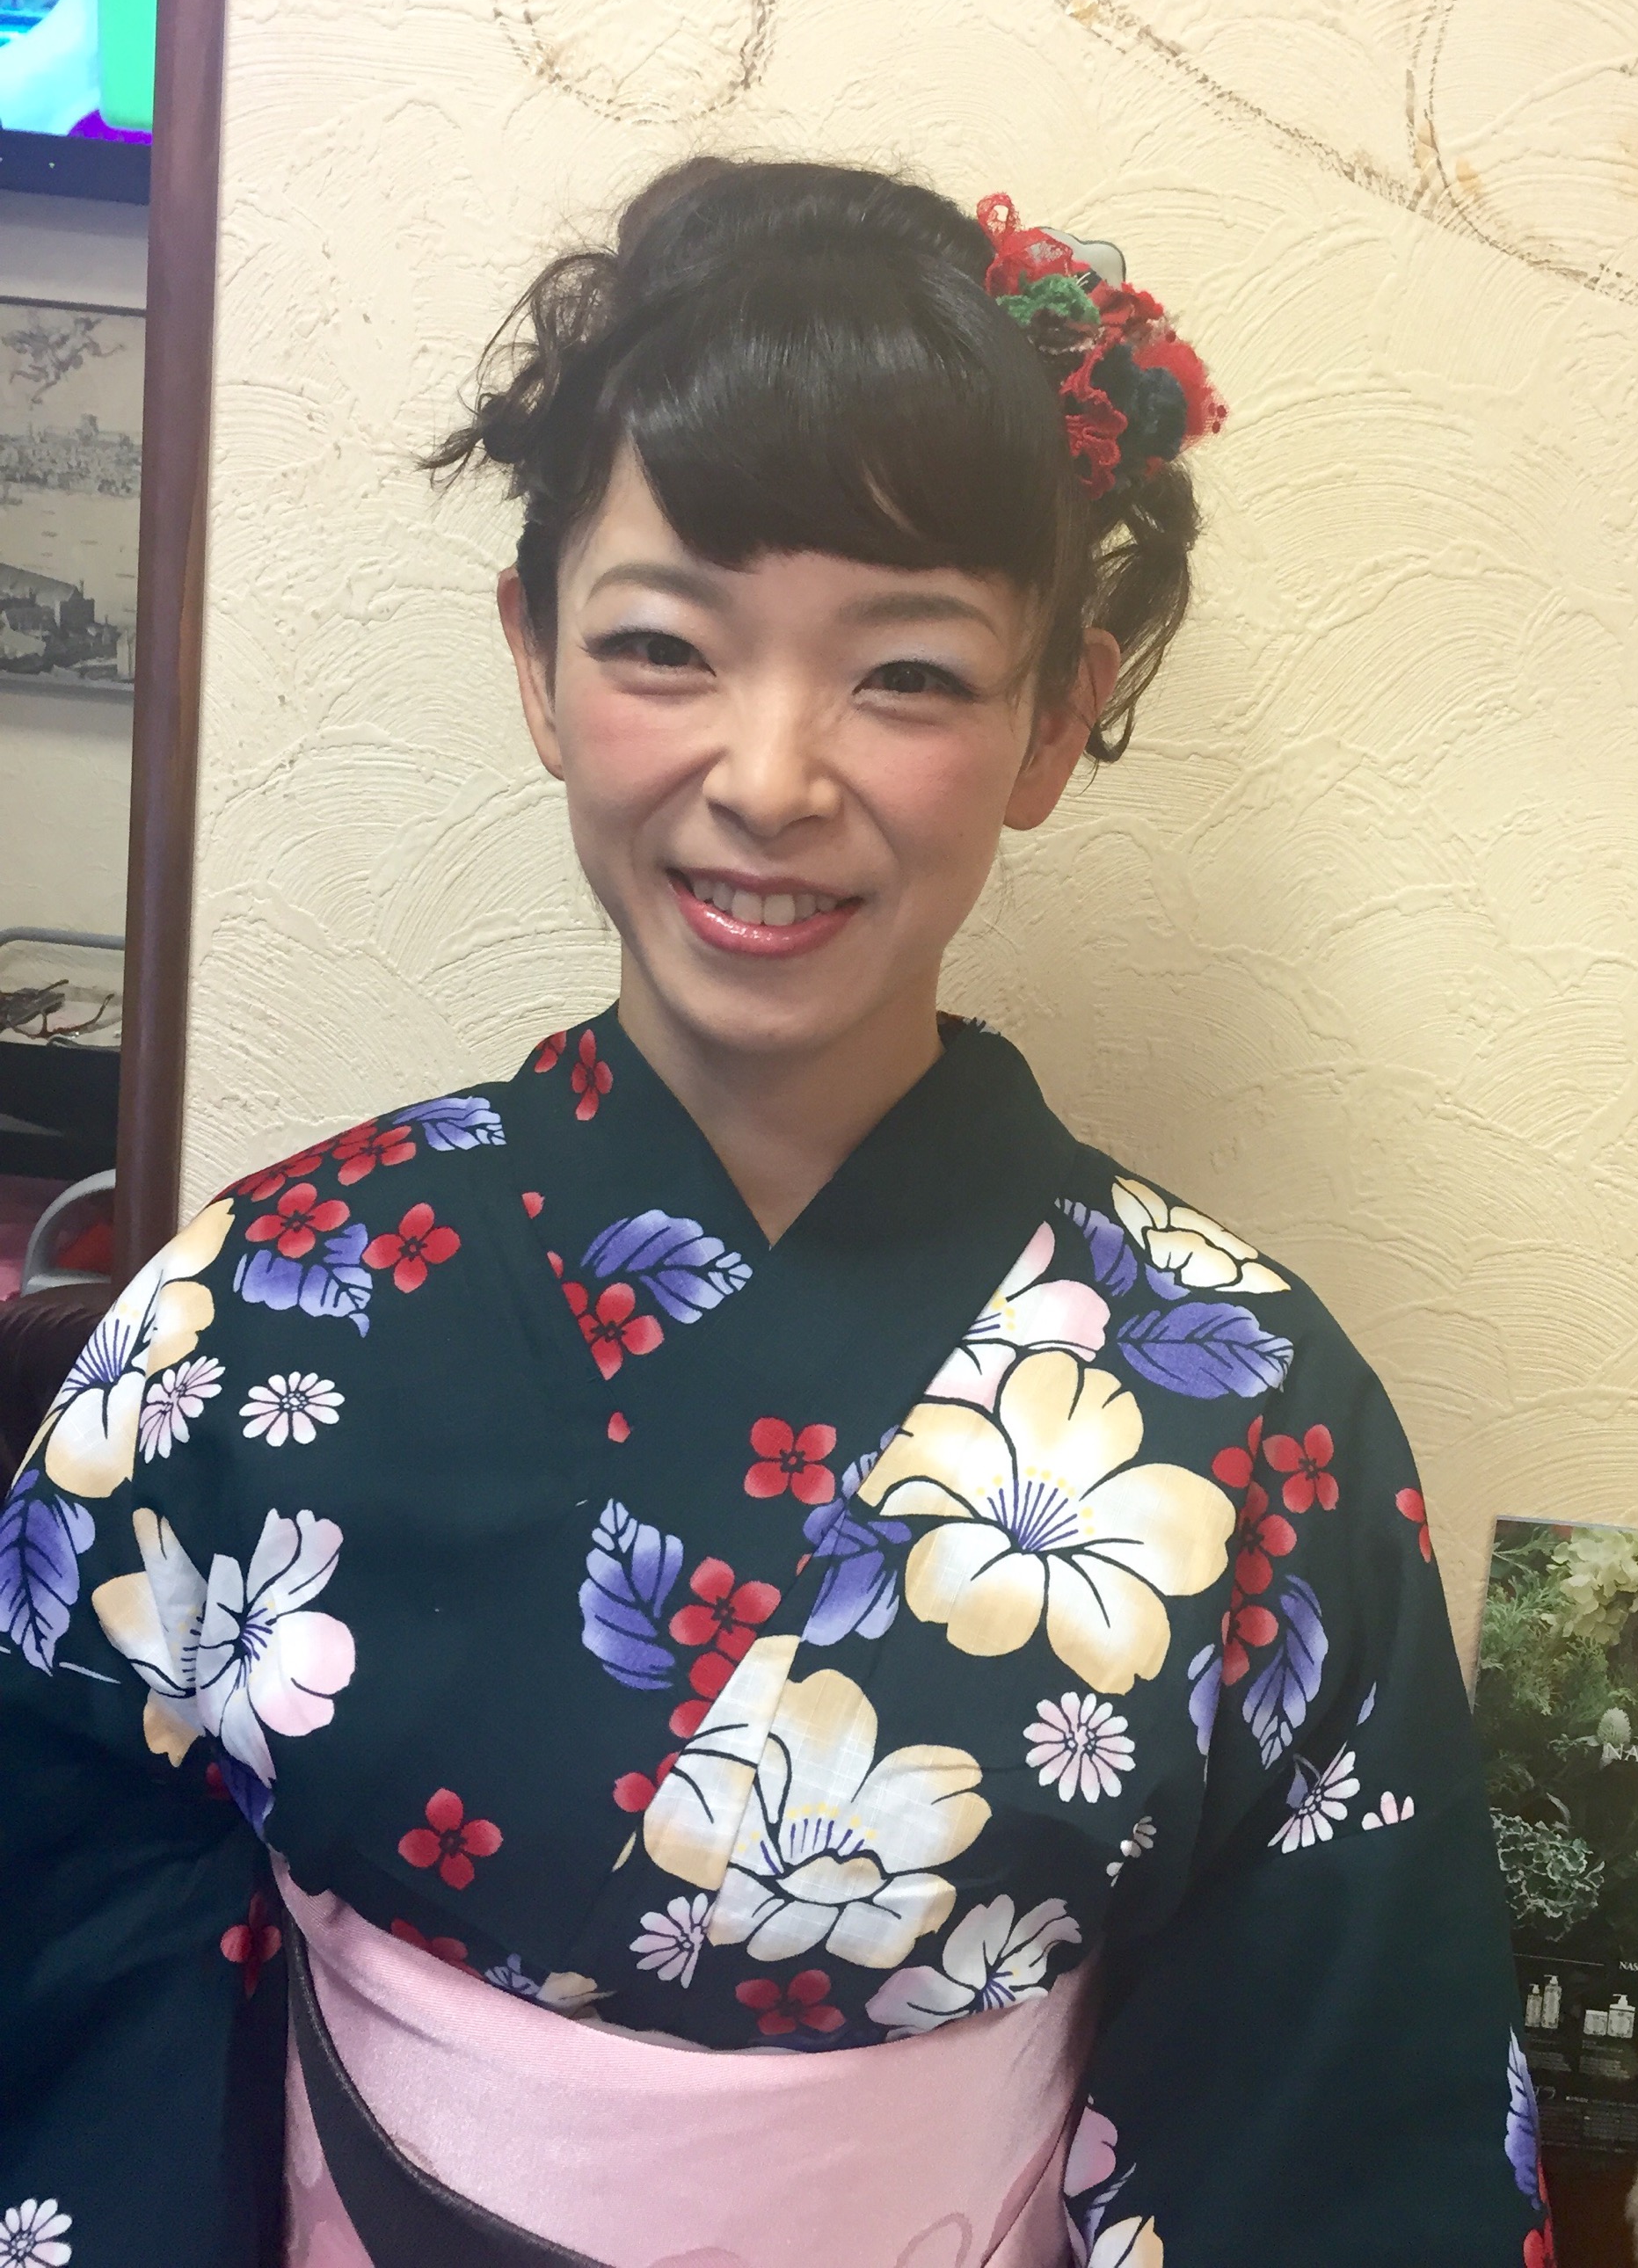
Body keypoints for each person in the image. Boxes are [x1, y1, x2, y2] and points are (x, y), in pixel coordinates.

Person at [0, 162, 1547, 2268]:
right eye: (664, 645)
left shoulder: (1248, 1403)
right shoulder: (262, 1304)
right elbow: (70, 1930)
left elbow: (1345, 2118)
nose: (771, 774)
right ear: (535, 658)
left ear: (1054, 718)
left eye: (906, 675)